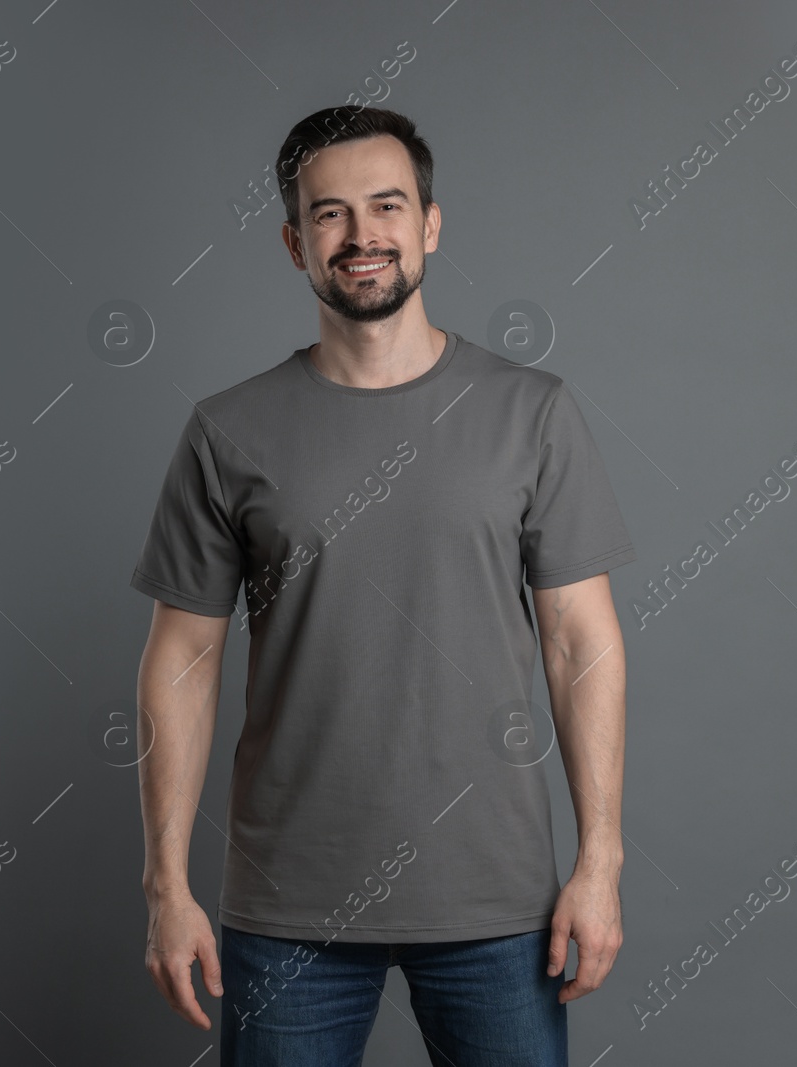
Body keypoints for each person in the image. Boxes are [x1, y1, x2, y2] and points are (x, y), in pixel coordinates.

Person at [132, 105, 637, 1066]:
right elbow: (180, 660)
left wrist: (601, 861)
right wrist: (166, 886)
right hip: (286, 909)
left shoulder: (532, 412)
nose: (363, 236)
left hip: (499, 903)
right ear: (294, 243)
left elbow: (584, 643)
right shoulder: (227, 430)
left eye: (387, 206)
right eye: (330, 215)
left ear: (430, 225)